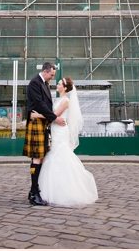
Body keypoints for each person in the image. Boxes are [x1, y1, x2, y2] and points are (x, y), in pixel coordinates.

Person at [34, 77, 98, 207]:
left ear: (64, 87)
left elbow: (54, 115)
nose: (57, 85)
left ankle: (64, 192)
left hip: (61, 132)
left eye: (59, 83)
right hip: (56, 130)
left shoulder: (65, 101)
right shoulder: (59, 99)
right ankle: (49, 190)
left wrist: (37, 115)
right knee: (53, 157)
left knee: (60, 156)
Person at [23, 62, 64, 206]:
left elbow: (46, 105)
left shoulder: (44, 83)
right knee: (37, 158)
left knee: (40, 158)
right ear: (45, 71)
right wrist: (54, 118)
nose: (52, 78)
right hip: (35, 123)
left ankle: (34, 191)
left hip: (41, 123)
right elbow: (40, 104)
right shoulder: (35, 83)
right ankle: (34, 194)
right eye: (52, 75)